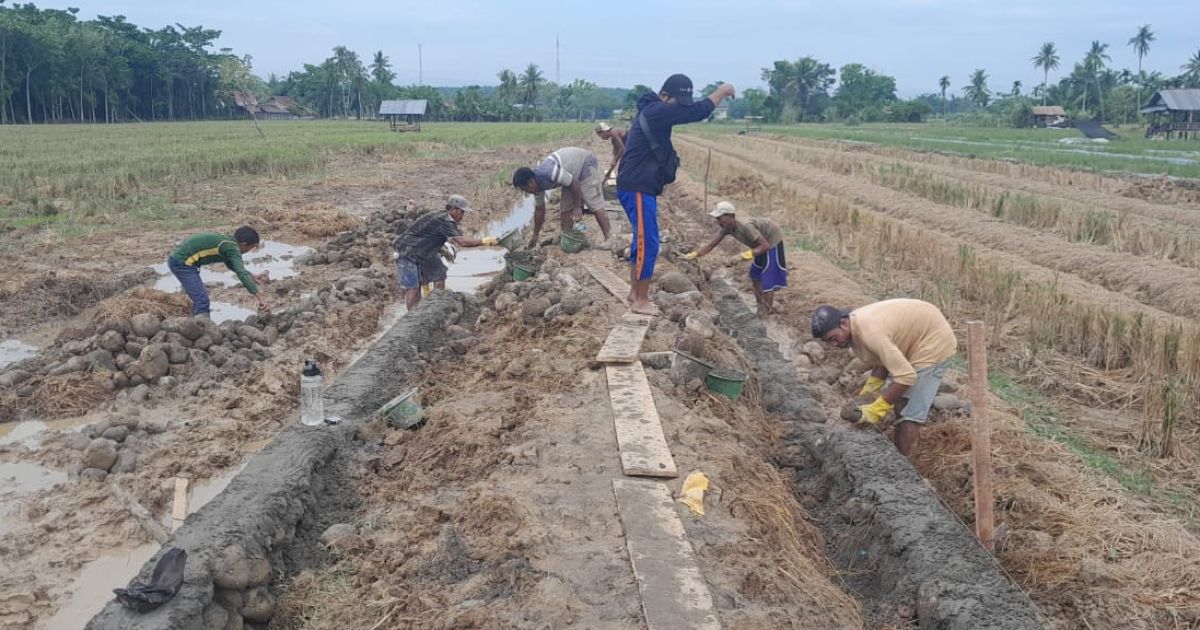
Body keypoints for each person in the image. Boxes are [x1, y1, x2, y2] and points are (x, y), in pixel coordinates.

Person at [617, 74, 735, 315]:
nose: (679, 108)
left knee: (642, 240)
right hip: (637, 187)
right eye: (676, 103)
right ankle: (640, 300)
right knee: (648, 243)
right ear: (664, 96)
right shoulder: (657, 111)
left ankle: (635, 293)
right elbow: (698, 111)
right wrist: (722, 91)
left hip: (638, 186)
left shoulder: (655, 111)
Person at [811, 299, 957, 458]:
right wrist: (871, 389)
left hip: (933, 340)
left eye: (833, 338)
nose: (833, 345)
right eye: (828, 342)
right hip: (916, 333)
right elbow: (882, 357)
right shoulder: (856, 328)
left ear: (843, 323)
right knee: (899, 402)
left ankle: (904, 465)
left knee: (908, 413)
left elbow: (906, 377)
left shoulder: (870, 333)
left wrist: (876, 409)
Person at [393, 195, 498, 309]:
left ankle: (436, 306)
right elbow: (462, 242)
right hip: (407, 251)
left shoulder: (444, 217)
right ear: (454, 209)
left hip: (425, 251)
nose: (463, 216)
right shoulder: (445, 220)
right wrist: (482, 241)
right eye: (462, 212)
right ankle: (413, 316)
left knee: (439, 274)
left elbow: (438, 235)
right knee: (414, 287)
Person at [684, 201, 787, 315]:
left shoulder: (746, 227)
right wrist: (695, 254)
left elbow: (765, 246)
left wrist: (742, 256)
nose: (718, 222)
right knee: (755, 274)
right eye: (717, 219)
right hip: (758, 245)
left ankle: (767, 312)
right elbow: (711, 245)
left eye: (720, 218)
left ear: (731, 216)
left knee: (767, 276)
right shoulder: (726, 228)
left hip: (771, 240)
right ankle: (760, 306)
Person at [512, 147, 613, 247]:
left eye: (525, 189)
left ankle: (609, 239)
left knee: (593, 203)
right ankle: (567, 237)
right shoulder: (536, 186)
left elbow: (574, 183)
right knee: (565, 210)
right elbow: (540, 210)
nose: (526, 192)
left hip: (585, 164)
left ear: (531, 183)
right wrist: (535, 235)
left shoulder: (549, 172)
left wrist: (577, 207)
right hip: (570, 176)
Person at [167, 226, 270, 318]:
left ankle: (196, 320)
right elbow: (241, 273)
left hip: (183, 260)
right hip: (182, 263)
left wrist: (251, 275)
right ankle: (202, 328)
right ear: (243, 245)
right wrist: (260, 298)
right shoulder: (232, 248)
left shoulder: (228, 242)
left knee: (198, 295)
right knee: (202, 300)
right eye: (250, 248)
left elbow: (233, 265)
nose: (248, 252)